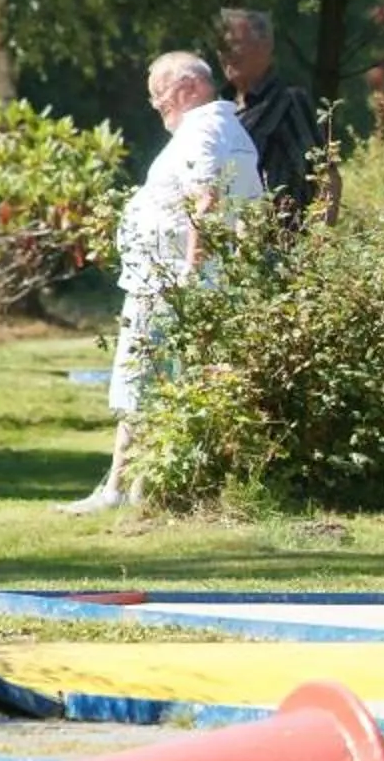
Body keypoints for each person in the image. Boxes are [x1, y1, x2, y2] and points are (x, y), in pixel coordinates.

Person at [62, 52, 261, 513]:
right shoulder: (232, 130)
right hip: (181, 280)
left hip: (170, 283)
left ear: (188, 88)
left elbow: (205, 199)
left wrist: (191, 272)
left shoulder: (203, 129)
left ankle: (120, 490)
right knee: (160, 383)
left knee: (141, 382)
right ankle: (134, 489)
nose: (155, 104)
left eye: (159, 93)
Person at [216, 7, 330, 228]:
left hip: (277, 248)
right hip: (229, 251)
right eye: (222, 46)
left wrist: (316, 247)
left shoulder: (288, 102)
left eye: (234, 43)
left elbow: (326, 176)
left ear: (265, 46)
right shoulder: (220, 110)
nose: (226, 52)